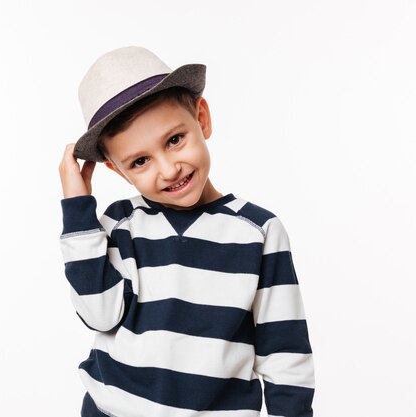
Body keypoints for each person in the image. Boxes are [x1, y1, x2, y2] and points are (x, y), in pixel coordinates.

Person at [58, 45, 315, 417]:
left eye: (175, 140)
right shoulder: (120, 224)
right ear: (119, 171)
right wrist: (78, 212)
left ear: (202, 118)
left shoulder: (257, 231)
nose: (168, 169)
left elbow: (285, 351)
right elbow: (99, 314)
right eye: (141, 161)